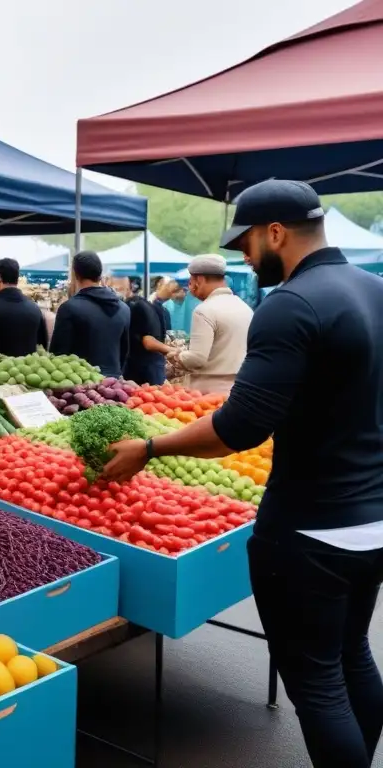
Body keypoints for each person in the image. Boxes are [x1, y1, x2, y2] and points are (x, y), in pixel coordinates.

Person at [102, 180, 383, 768]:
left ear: (276, 232)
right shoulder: (374, 290)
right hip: (373, 520)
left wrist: (150, 447)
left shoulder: (292, 303)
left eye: (249, 244)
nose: (246, 259)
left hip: (311, 532)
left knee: (318, 686)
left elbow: (241, 428)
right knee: (352, 653)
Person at [172, 254, 254, 394]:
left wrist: (175, 355)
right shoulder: (245, 308)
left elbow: (197, 359)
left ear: (200, 279)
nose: (190, 287)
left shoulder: (204, 310)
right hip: (241, 388)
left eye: (191, 281)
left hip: (209, 392)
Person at [49, 251, 129, 377]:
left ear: (75, 274)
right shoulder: (124, 309)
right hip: (114, 384)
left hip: (80, 384)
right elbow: (124, 351)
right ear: (99, 273)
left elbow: (58, 355)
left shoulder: (69, 308)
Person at [122, 278, 174, 385]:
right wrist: (174, 350)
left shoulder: (160, 308)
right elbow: (149, 341)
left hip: (137, 368)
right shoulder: (141, 306)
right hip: (148, 370)